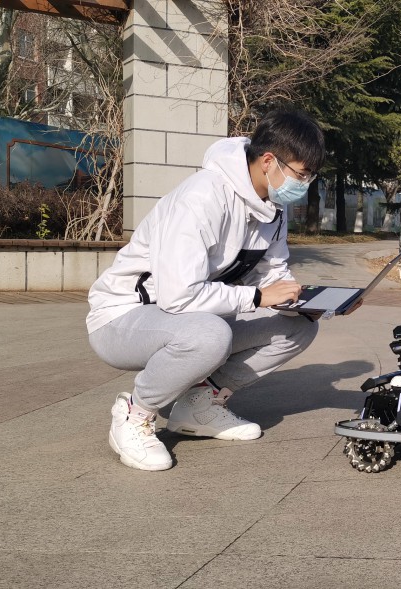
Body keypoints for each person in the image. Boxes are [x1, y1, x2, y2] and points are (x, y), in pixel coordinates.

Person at [86, 110, 325, 471]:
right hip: (121, 319)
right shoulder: (201, 198)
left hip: (191, 316)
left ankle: (199, 404)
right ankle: (135, 414)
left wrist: (302, 302)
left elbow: (273, 274)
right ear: (268, 162)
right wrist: (258, 298)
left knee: (299, 327)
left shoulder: (273, 208)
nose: (305, 184)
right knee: (210, 335)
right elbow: (179, 296)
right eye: (301, 174)